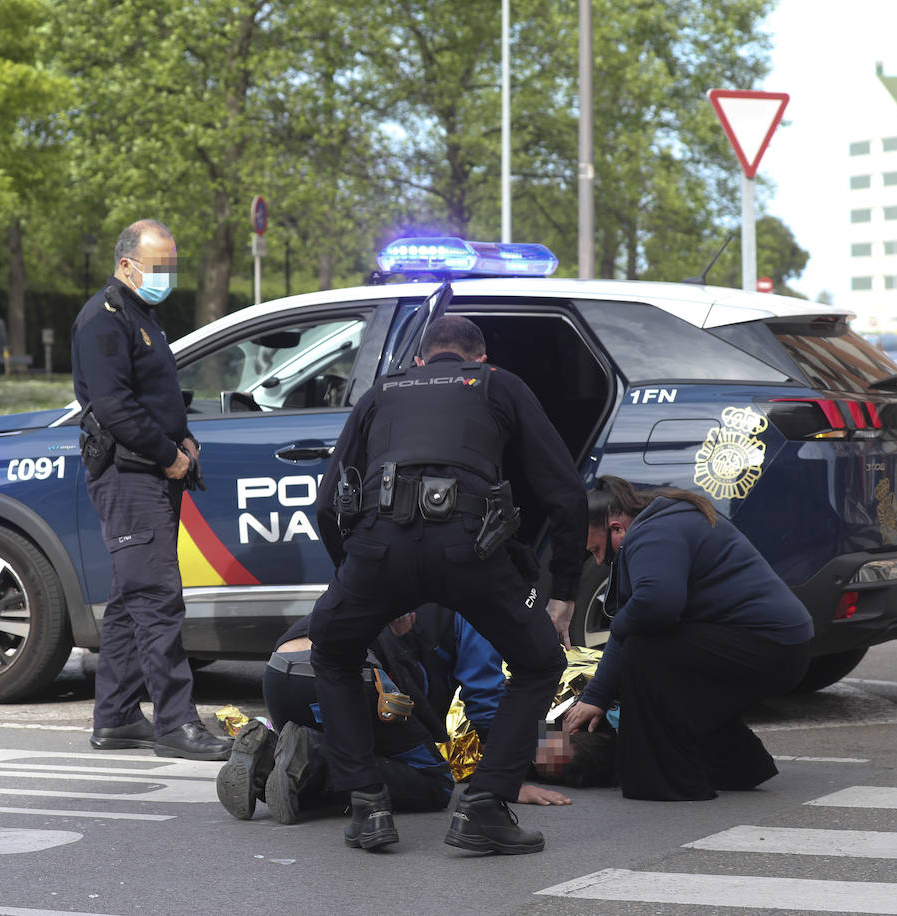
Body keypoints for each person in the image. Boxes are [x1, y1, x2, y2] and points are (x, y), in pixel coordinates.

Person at [306, 314, 587, 854]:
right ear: (480, 359)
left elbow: (326, 504)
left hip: (379, 551)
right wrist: (564, 594)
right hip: (471, 549)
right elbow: (567, 493)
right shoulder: (499, 384)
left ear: (418, 360)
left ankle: (367, 807)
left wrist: (358, 584)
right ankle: (484, 807)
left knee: (335, 651)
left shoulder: (381, 392)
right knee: (540, 662)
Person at [71, 218, 230, 762]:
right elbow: (113, 407)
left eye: (170, 265)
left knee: (129, 599)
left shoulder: (142, 315)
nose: (166, 276)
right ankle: (175, 723)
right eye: (157, 266)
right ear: (126, 265)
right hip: (131, 473)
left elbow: (156, 395)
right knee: (159, 599)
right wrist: (169, 456)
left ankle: (115, 717)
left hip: (151, 470)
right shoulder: (104, 319)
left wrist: (182, 435)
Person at [563, 476, 815, 801]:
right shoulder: (664, 522)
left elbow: (655, 607)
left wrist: (621, 630)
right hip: (781, 646)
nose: (598, 561)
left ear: (615, 527)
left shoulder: (652, 533)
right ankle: (738, 766)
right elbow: (636, 621)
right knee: (658, 659)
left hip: (769, 646)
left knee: (647, 652)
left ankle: (668, 782)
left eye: (596, 549)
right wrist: (596, 696)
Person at [215, 604, 571, 823]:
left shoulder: (389, 557)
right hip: (342, 676)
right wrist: (504, 779)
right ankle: (316, 754)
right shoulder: (477, 597)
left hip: (279, 672)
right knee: (434, 782)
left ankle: (266, 762)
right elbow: (485, 695)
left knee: (370, 755)